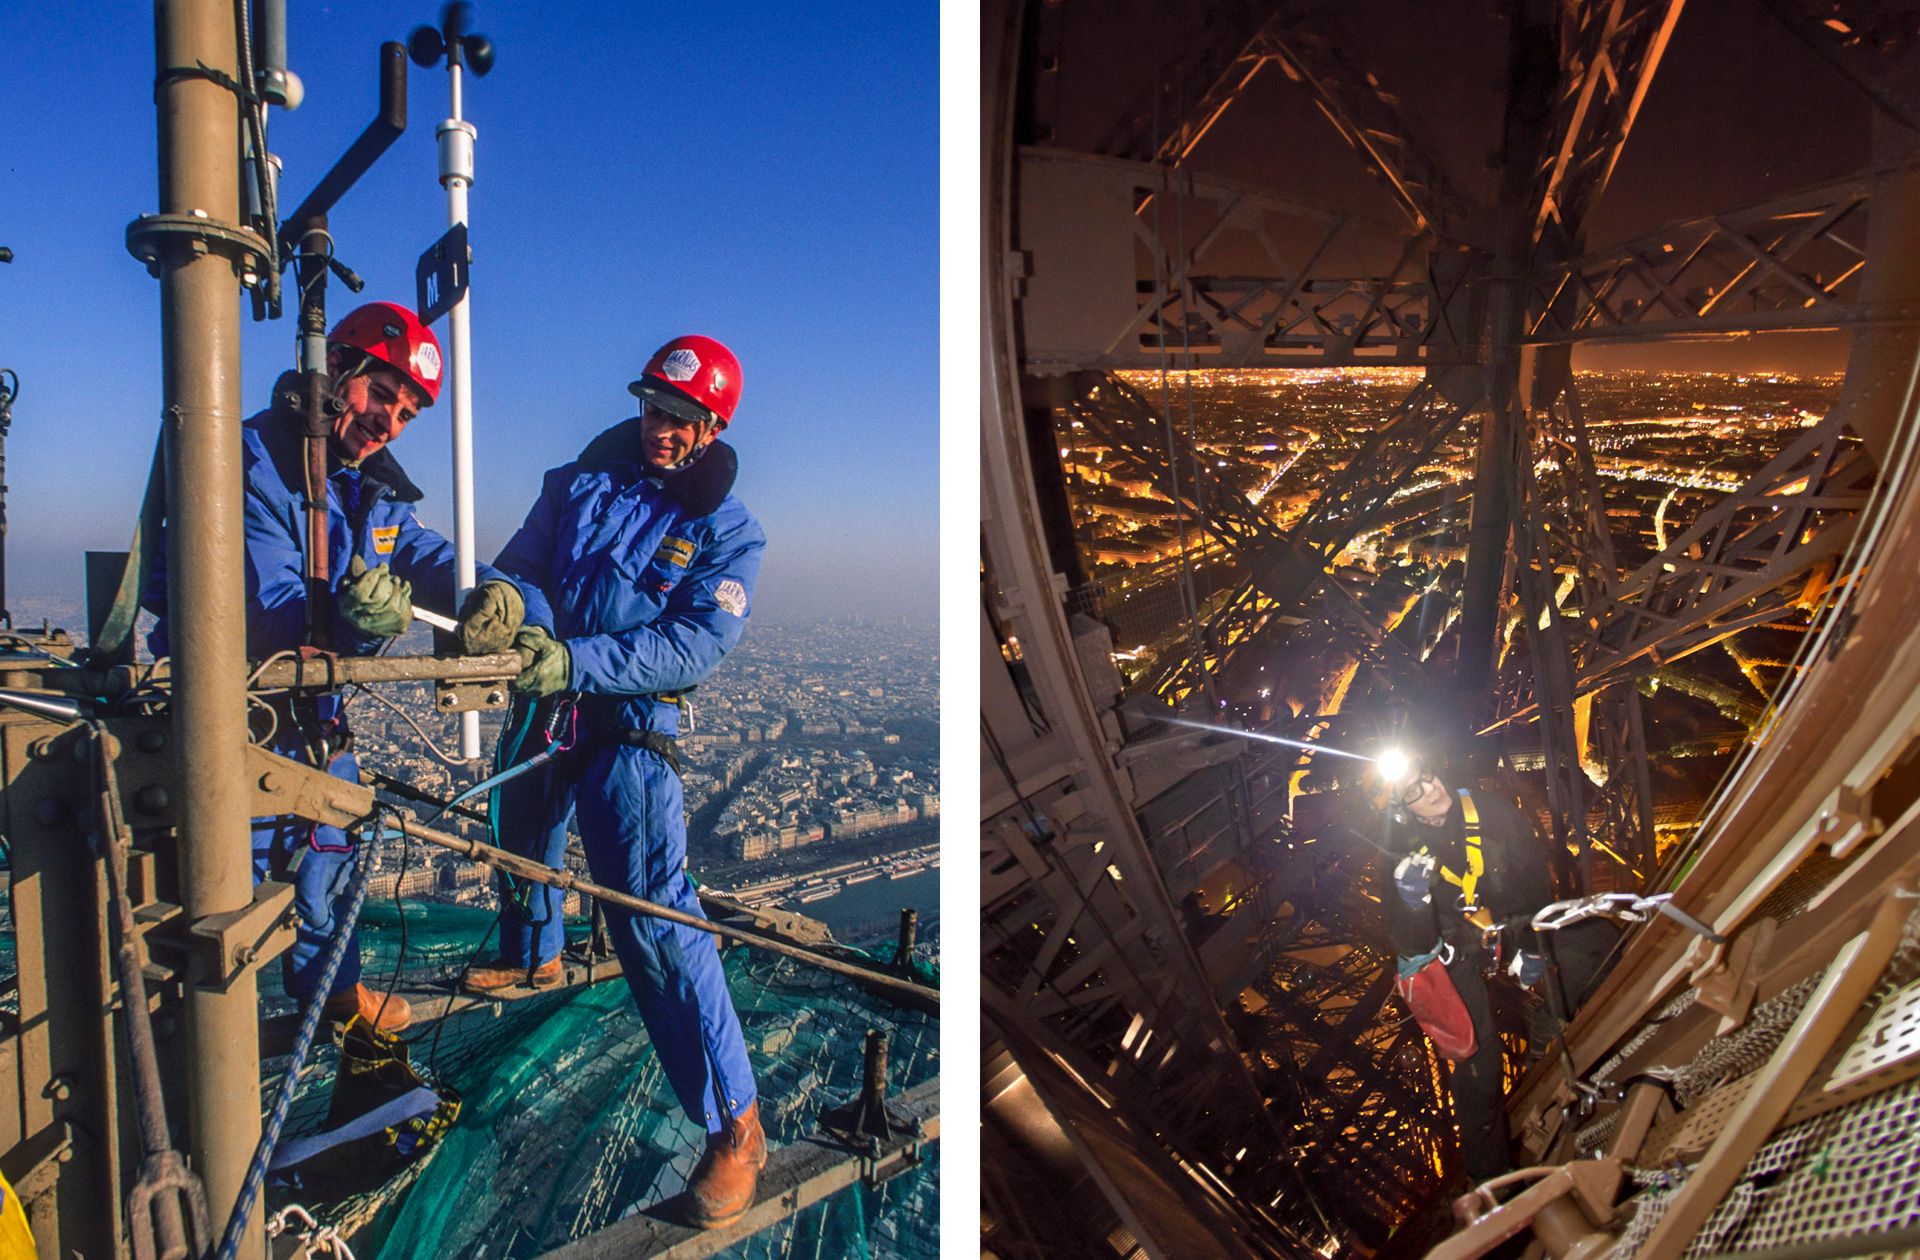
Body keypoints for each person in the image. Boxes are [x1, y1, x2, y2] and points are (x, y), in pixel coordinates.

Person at [146, 301, 530, 1033]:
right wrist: (352, 620)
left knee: (331, 847)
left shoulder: (363, 486)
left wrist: (496, 593)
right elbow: (254, 616)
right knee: (225, 879)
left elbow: (420, 553)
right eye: (382, 396)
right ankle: (200, 1039)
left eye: (408, 413)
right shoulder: (246, 463)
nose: (390, 422)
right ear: (336, 375)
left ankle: (336, 996)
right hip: (232, 713)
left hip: (312, 717)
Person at [457, 334, 769, 1229]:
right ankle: (532, 949)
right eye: (650, 410)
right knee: (520, 826)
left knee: (651, 909)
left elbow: (696, 643)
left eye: (675, 418)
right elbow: (524, 568)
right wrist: (530, 630)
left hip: (630, 718)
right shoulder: (578, 482)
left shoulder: (726, 530)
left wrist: (574, 661)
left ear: (710, 426)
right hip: (554, 689)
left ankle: (734, 1124)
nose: (656, 428)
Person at [1375, 755, 1616, 1183]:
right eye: (1415, 791)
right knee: (1479, 1069)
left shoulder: (1493, 813)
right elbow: (1410, 944)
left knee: (1595, 941)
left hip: (1509, 927)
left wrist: (1531, 948)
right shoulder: (1399, 851)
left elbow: (1533, 887)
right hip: (1456, 953)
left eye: (1428, 775)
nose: (1431, 789)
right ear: (1403, 808)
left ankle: (1547, 1028)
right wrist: (1413, 902)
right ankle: (1489, 1180)